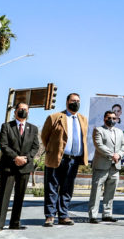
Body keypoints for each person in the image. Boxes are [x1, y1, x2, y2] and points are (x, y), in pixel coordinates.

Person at [41, 93, 88, 227]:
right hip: (56, 158)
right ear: (67, 102)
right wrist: (52, 150)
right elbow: (44, 137)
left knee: (67, 188)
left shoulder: (83, 119)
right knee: (52, 187)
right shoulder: (55, 117)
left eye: (78, 101)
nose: (76, 103)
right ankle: (50, 216)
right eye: (73, 100)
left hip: (74, 160)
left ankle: (63, 215)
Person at [0, 102, 39, 233]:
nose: (23, 111)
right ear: (15, 111)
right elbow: (4, 145)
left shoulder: (33, 128)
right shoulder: (6, 126)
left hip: (25, 167)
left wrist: (26, 158)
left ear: (28, 112)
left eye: (25, 109)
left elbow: (35, 147)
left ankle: (15, 223)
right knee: (4, 197)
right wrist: (15, 157)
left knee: (20, 197)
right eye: (20, 109)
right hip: (9, 167)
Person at [88, 110, 124, 223]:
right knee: (96, 192)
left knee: (111, 191)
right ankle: (93, 215)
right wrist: (112, 155)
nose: (111, 120)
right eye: (109, 118)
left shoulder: (120, 132)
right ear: (104, 118)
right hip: (101, 166)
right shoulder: (98, 130)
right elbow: (99, 145)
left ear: (117, 119)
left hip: (115, 167)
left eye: (114, 118)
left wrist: (119, 155)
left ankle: (107, 214)